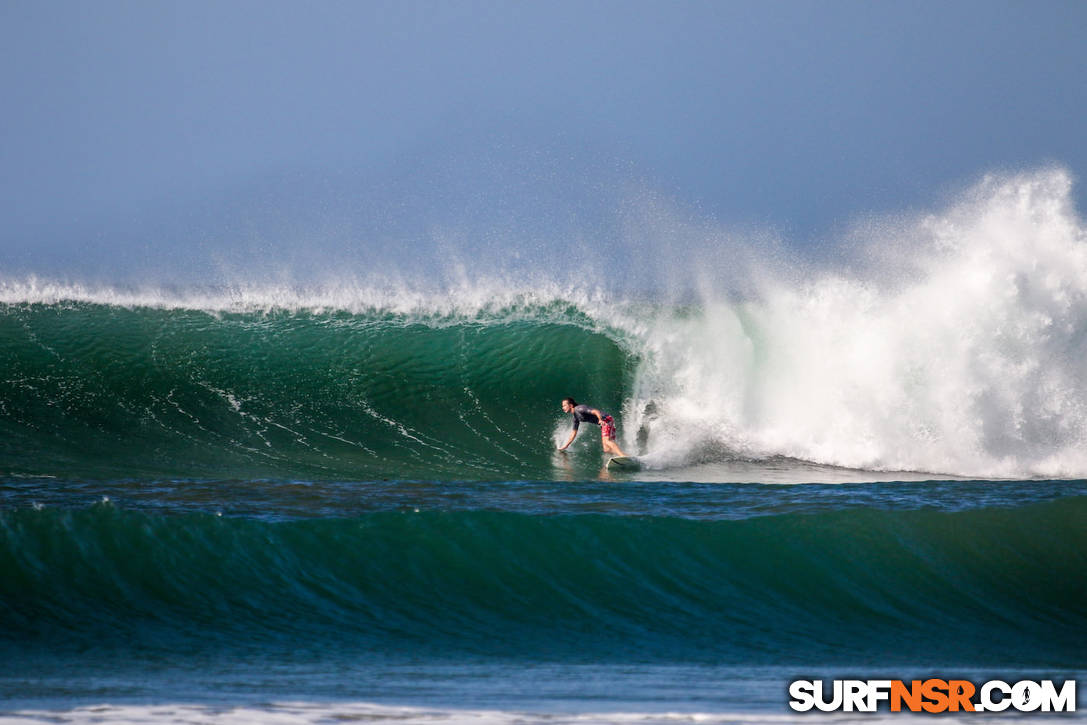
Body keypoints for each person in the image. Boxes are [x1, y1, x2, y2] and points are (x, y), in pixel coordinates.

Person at [557, 397, 629, 457]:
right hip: (604, 423)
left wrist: (600, 420)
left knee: (608, 441)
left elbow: (595, 411)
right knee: (606, 449)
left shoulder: (580, 409)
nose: (563, 408)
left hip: (606, 420)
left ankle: (622, 456)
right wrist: (566, 445)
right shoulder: (576, 417)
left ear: (571, 405)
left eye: (564, 405)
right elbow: (573, 434)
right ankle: (626, 456)